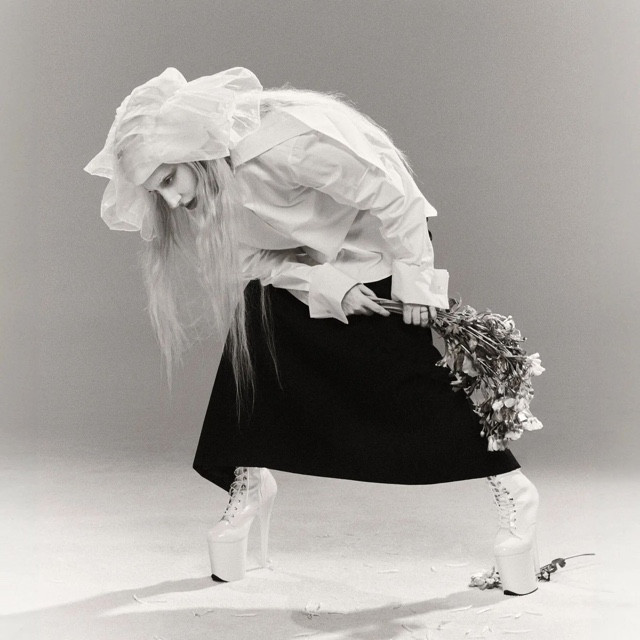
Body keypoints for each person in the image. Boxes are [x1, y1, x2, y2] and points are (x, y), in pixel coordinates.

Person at [85, 67, 540, 596]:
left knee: (410, 382)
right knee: (254, 336)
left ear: (193, 150)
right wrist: (328, 285)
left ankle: (513, 490)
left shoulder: (288, 146)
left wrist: (418, 285)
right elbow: (253, 262)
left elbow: (396, 197)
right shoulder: (205, 190)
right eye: (156, 190)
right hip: (315, 270)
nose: (169, 201)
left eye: (167, 181)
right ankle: (248, 482)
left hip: (384, 253)